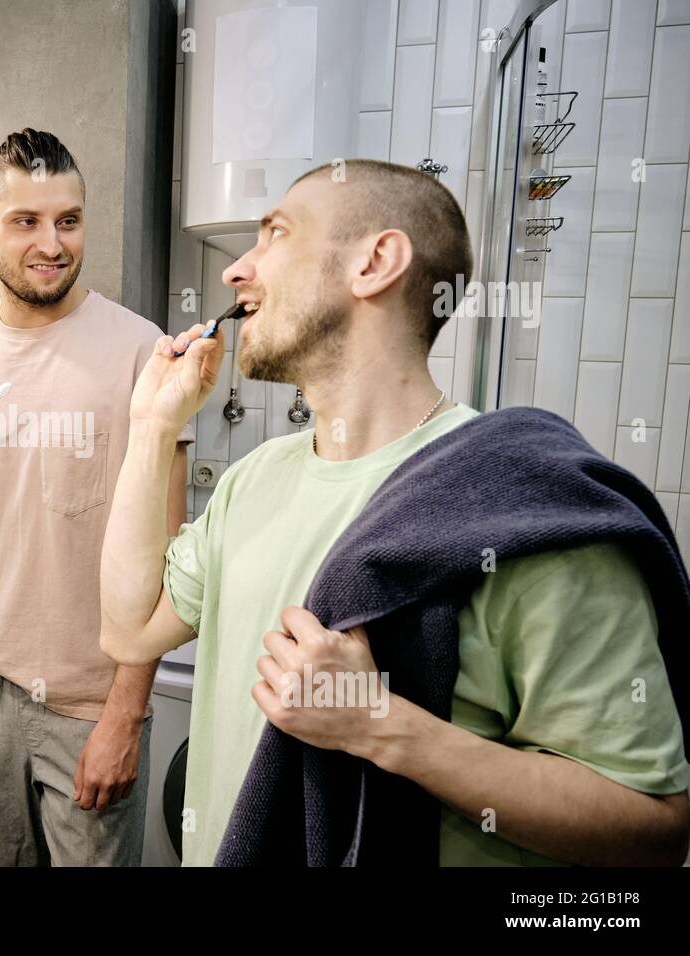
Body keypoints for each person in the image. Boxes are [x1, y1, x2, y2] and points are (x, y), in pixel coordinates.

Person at [98, 158, 690, 866]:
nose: (235, 270)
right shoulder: (253, 480)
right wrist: (151, 429)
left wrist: (377, 725)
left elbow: (653, 827)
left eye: (274, 235)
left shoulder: (521, 503)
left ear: (376, 262)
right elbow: (129, 631)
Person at [0, 129, 193, 865]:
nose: (52, 243)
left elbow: (170, 553)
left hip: (89, 695)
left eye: (68, 220)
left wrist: (125, 715)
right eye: (25, 221)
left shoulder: (138, 350)